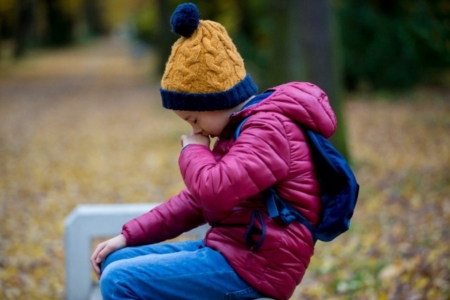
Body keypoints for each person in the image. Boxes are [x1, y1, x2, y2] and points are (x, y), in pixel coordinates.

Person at [90, 2, 337, 300]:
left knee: (119, 281)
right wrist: (127, 236)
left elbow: (213, 191)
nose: (196, 131)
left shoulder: (268, 131)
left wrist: (193, 152)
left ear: (215, 101)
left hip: (258, 267)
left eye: (194, 119)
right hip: (232, 251)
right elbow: (196, 202)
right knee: (115, 261)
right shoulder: (239, 130)